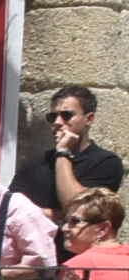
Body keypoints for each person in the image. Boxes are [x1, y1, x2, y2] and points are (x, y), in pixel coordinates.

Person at [25, 84, 123, 215]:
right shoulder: (37, 162)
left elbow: (77, 210)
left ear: (89, 119)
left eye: (66, 115)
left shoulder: (106, 162)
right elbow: (11, 209)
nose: (57, 122)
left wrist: (63, 152)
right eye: (52, 117)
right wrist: (56, 215)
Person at [63, 190, 129, 280]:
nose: (64, 228)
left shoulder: (76, 267)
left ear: (103, 229)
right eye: (65, 221)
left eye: (75, 221)